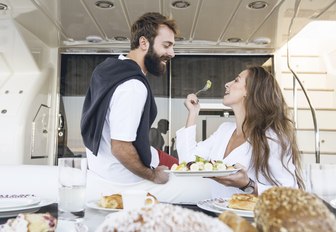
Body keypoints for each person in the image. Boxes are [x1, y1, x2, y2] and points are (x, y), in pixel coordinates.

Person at [80, 12, 211, 203]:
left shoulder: (108, 70)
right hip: (123, 177)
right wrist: (152, 175)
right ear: (144, 43)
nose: (172, 53)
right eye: (166, 45)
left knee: (183, 165)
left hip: (102, 165)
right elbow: (121, 148)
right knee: (204, 185)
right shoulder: (133, 86)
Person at [176, 66, 305, 198]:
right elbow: (187, 161)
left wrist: (248, 185)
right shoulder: (224, 130)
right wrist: (193, 113)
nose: (227, 84)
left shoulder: (271, 138)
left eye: (236, 80)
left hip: (251, 217)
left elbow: (290, 193)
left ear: (250, 91)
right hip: (219, 215)